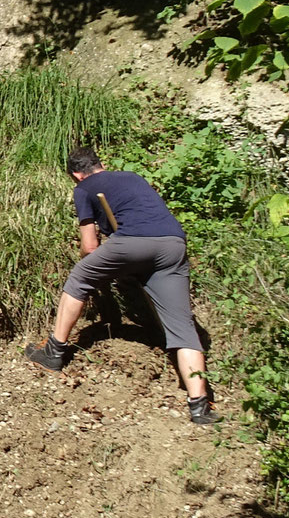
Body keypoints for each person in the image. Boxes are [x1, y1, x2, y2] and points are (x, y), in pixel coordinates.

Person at [24, 146, 214, 424]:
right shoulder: (132, 177)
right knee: (182, 327)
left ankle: (53, 352)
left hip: (133, 242)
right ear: (100, 164)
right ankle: (200, 406)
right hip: (173, 243)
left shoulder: (84, 188)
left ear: (76, 175)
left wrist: (100, 260)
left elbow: (90, 246)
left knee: (79, 279)